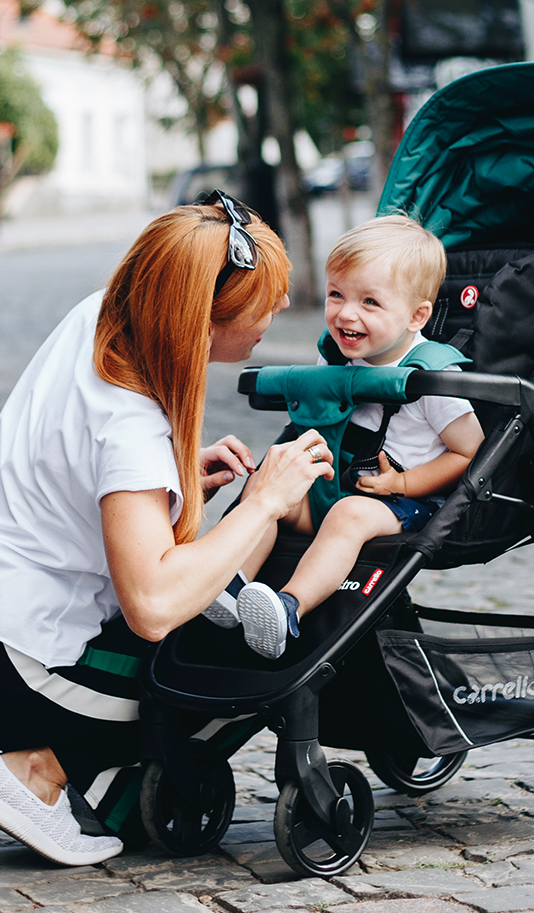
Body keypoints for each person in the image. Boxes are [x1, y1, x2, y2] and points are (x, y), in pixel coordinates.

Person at [0, 195, 334, 866]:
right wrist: (262, 503)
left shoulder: (100, 317)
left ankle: (86, 778)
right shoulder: (132, 424)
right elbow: (151, 606)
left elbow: (84, 467)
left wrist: (174, 480)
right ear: (202, 321)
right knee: (234, 663)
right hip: (8, 667)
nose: (275, 312)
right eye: (261, 303)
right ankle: (41, 772)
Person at [206, 214, 484, 660]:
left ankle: (287, 607)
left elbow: (469, 451)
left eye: (370, 302)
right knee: (269, 487)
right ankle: (228, 584)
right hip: (333, 488)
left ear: (417, 315)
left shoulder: (432, 374)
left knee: (349, 516)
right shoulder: (335, 356)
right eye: (336, 294)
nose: (346, 313)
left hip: (399, 504)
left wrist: (402, 484)